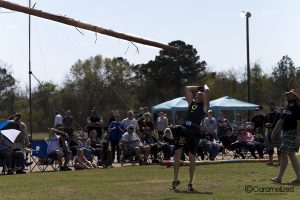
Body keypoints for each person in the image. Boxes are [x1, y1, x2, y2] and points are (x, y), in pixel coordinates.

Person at [171, 84, 209, 192]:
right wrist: (199, 87)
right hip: (183, 131)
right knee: (177, 154)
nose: (198, 95)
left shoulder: (204, 107)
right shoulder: (191, 103)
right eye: (197, 94)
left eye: (201, 94)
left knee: (192, 157)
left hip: (194, 133)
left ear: (203, 98)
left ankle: (191, 182)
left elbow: (208, 91)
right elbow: (187, 88)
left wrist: (205, 87)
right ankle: (175, 180)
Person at [271, 89, 300, 183]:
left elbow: (299, 124)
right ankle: (282, 177)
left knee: (287, 154)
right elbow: (281, 122)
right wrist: (274, 132)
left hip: (292, 133)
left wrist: (298, 138)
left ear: (295, 97)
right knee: (288, 155)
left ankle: (280, 177)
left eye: (290, 95)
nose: (288, 97)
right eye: (287, 95)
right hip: (285, 133)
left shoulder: (298, 109)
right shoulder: (286, 108)